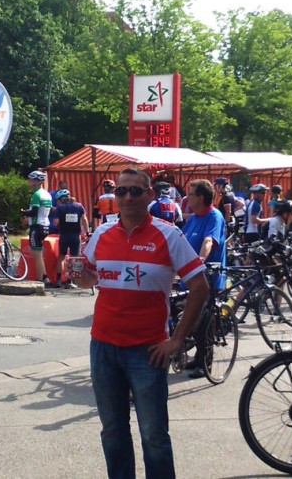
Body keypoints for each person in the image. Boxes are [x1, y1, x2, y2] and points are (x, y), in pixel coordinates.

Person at [73, 168, 210, 479]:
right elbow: (91, 277)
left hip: (147, 351)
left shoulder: (168, 234)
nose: (128, 197)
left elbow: (200, 287)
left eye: (136, 191)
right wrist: (82, 277)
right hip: (103, 347)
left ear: (150, 195)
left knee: (154, 436)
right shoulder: (102, 234)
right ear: (114, 196)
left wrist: (176, 340)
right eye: (122, 191)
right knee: (112, 431)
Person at [180, 178, 227, 379]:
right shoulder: (194, 218)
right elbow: (179, 241)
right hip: (189, 277)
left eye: (191, 194)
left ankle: (205, 362)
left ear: (201, 197)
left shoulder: (213, 216)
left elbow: (209, 241)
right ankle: (197, 356)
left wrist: (200, 260)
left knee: (202, 321)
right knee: (185, 315)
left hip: (208, 277)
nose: (187, 197)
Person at [22, 170, 54, 287]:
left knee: (36, 254)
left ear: (37, 181)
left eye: (31, 180)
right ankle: (44, 277)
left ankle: (41, 280)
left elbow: (34, 212)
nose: (29, 183)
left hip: (36, 226)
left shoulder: (37, 194)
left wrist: (24, 213)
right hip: (45, 225)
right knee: (37, 253)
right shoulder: (47, 194)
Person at [52, 189, 89, 289]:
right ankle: (70, 281)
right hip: (75, 236)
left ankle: (59, 280)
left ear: (61, 199)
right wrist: (87, 232)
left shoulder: (60, 208)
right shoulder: (79, 206)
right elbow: (84, 220)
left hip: (64, 235)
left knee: (61, 257)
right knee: (74, 258)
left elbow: (56, 222)